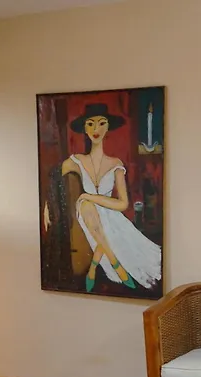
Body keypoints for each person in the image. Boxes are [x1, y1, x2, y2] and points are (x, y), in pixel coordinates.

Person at [43, 103, 161, 292]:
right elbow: (55, 179)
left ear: (108, 128)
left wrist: (89, 195)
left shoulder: (115, 163)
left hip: (110, 214)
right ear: (85, 128)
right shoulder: (76, 160)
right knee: (85, 205)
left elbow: (123, 203)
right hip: (86, 213)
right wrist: (47, 206)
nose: (95, 129)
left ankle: (93, 269)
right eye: (90, 124)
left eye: (101, 123)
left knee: (91, 206)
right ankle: (115, 263)